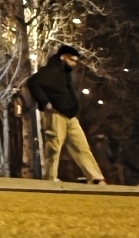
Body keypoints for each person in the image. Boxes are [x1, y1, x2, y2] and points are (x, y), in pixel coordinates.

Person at [30, 48, 106, 182]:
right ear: (63, 57)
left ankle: (95, 176)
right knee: (53, 146)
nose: (74, 64)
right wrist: (46, 103)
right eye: (72, 60)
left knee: (81, 146)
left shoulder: (64, 74)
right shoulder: (49, 72)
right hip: (55, 114)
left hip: (70, 115)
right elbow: (33, 83)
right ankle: (50, 177)